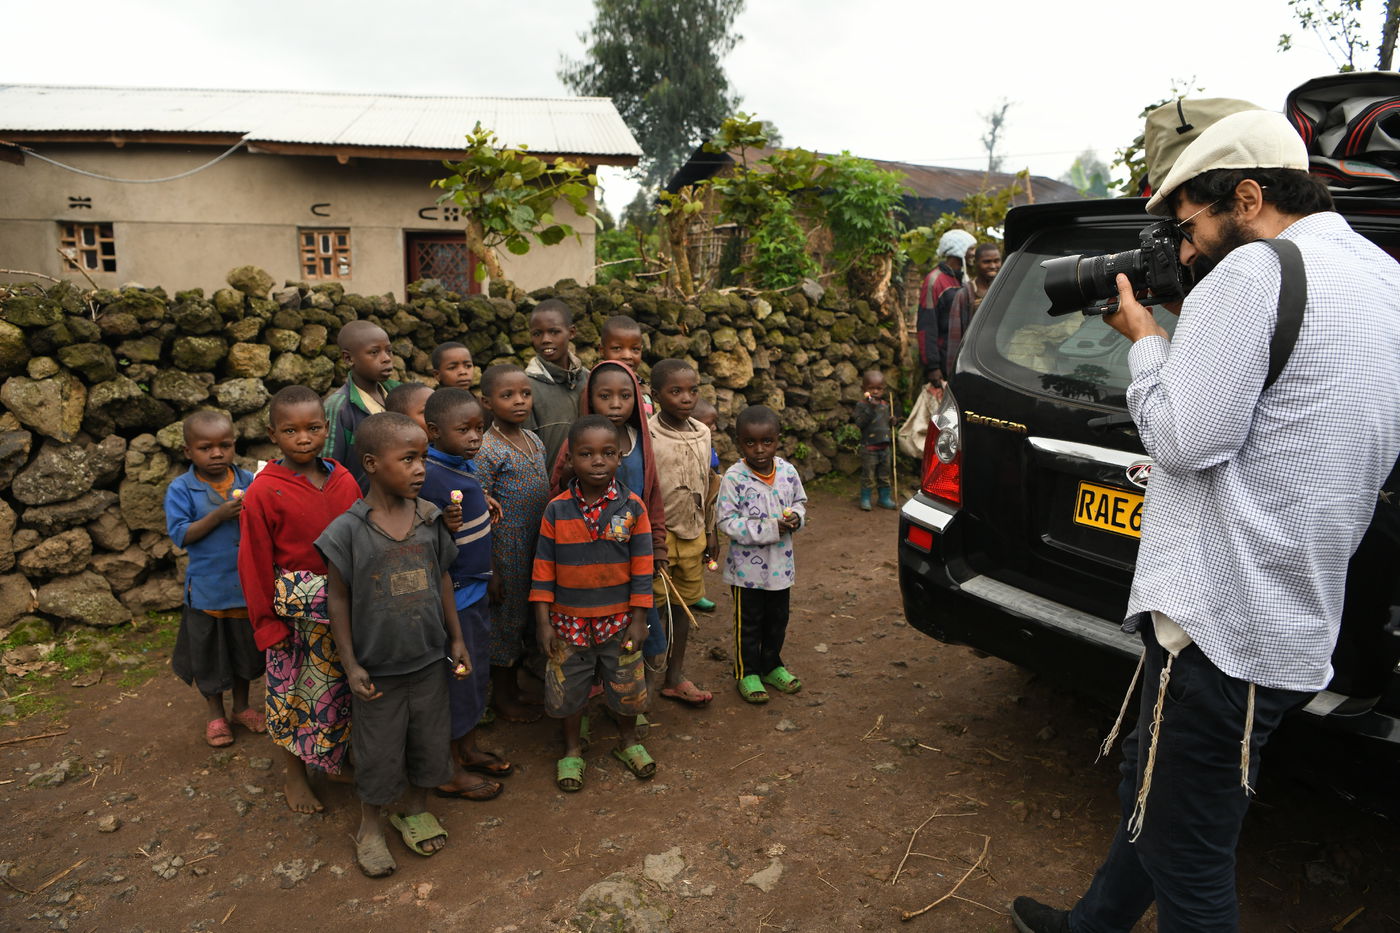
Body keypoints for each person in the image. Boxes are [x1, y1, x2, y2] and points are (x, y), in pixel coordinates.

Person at [1011, 110, 1400, 933]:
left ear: (1248, 195)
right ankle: (1092, 926)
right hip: (1291, 620)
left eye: (1186, 224)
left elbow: (1188, 438)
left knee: (1189, 854)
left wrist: (1147, 340)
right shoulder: (1380, 274)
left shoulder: (1254, 271)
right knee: (1157, 797)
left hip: (1222, 624)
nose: (1183, 251)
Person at [316, 412, 468, 878]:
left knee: (428, 740)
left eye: (422, 457)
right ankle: (370, 827)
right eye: (408, 459)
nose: (421, 468)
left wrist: (457, 637)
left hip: (427, 660)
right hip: (378, 668)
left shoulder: (428, 518)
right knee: (378, 750)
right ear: (371, 463)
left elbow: (442, 576)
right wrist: (350, 661)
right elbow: (337, 598)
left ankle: (417, 808)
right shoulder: (348, 530)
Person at [238, 386, 362, 814]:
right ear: (274, 434)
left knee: (339, 693)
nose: (303, 438)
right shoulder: (263, 492)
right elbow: (253, 564)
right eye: (291, 431)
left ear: (326, 429)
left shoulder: (344, 480)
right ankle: (294, 773)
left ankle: (331, 760)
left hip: (345, 610)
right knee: (292, 696)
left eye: (312, 428)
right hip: (292, 618)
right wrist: (266, 624)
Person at [530, 415, 655, 792]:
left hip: (618, 621)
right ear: (570, 460)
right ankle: (571, 749)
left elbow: (643, 569)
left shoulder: (633, 508)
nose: (597, 461)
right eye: (586, 454)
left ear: (619, 458)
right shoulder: (556, 509)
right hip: (567, 623)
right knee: (568, 691)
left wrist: (638, 619)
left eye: (607, 453)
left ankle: (628, 741)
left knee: (626, 686)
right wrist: (543, 622)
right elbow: (543, 569)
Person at [419, 387, 512, 802]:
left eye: (480, 427)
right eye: (464, 429)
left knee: (473, 676)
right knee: (455, 682)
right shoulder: (428, 477)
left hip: (473, 592)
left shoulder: (459, 467)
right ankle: (448, 769)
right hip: (452, 602)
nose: (476, 437)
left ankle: (467, 747)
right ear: (434, 431)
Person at [551, 360, 670, 671]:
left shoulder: (641, 442)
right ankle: (589, 690)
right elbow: (557, 495)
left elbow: (653, 494)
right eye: (605, 396)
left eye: (625, 396)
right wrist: (566, 478)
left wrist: (658, 545)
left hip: (634, 551)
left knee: (639, 623)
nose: (616, 404)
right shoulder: (575, 444)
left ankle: (632, 696)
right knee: (591, 636)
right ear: (590, 398)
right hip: (586, 557)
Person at [164, 411, 262, 748]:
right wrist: (219, 515)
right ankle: (215, 714)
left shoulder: (249, 480)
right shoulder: (182, 489)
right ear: (188, 451)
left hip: (245, 588)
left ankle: (243, 707)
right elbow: (181, 535)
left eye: (225, 445)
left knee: (243, 651)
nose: (217, 453)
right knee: (210, 655)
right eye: (206, 448)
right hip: (207, 590)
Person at [475, 363, 551, 723]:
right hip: (504, 552)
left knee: (523, 620)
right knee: (504, 625)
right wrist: (489, 568)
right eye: (507, 396)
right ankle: (502, 697)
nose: (519, 401)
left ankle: (516, 687)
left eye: (525, 393)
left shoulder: (533, 439)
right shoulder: (486, 449)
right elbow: (478, 510)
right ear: (487, 402)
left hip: (535, 548)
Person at [718, 405, 807, 704]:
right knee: (750, 622)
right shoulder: (733, 478)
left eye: (766, 442)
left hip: (781, 567)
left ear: (778, 440)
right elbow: (726, 522)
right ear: (739, 443)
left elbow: (800, 502)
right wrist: (770, 528)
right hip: (747, 574)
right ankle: (747, 672)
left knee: (777, 619)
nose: (759, 449)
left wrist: (796, 517)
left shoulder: (787, 471)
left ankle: (771, 665)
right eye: (750, 442)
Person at [648, 359, 718, 705]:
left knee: (684, 605)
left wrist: (711, 531)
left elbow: (707, 484)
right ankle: (643, 684)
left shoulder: (702, 433)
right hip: (657, 538)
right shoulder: (647, 434)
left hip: (693, 534)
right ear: (655, 393)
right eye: (675, 391)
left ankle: (674, 677)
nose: (686, 398)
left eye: (693, 390)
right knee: (652, 610)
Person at [323, 320, 400, 487]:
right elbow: (327, 469)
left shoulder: (399, 395)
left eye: (389, 351)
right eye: (374, 352)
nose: (386, 359)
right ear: (349, 358)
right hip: (359, 504)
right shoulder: (339, 407)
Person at [523, 299, 586, 468]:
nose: (545, 339)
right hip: (548, 488)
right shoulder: (525, 388)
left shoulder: (588, 379)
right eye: (537, 334)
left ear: (571, 332)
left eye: (554, 332)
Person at [916, 229, 975, 381]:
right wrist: (933, 366)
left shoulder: (962, 279)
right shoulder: (934, 280)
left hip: (959, 357)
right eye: (971, 249)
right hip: (942, 359)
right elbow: (926, 325)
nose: (974, 253)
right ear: (959, 250)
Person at [941, 242, 1001, 380]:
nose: (993, 266)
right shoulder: (964, 295)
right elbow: (955, 338)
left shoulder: (1005, 291)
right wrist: (953, 375)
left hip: (999, 365)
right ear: (976, 263)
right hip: (973, 366)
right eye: (987, 262)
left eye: (996, 261)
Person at [852, 370, 896, 511]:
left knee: (884, 474)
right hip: (869, 447)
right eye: (872, 388)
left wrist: (892, 421)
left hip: (885, 446)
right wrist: (870, 407)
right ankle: (865, 498)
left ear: (883, 389)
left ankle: (884, 498)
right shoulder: (862, 405)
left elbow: (884, 422)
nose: (876, 391)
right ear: (864, 389)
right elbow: (860, 423)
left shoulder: (885, 404)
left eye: (879, 388)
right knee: (868, 475)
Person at [599, 315, 654, 416]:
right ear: (602, 351)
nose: (627, 356)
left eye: (635, 349)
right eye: (617, 348)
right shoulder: (595, 387)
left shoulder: (645, 390)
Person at [693, 398, 722, 474]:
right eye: (709, 424)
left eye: (714, 423)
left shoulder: (708, 446)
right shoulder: (688, 453)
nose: (715, 428)